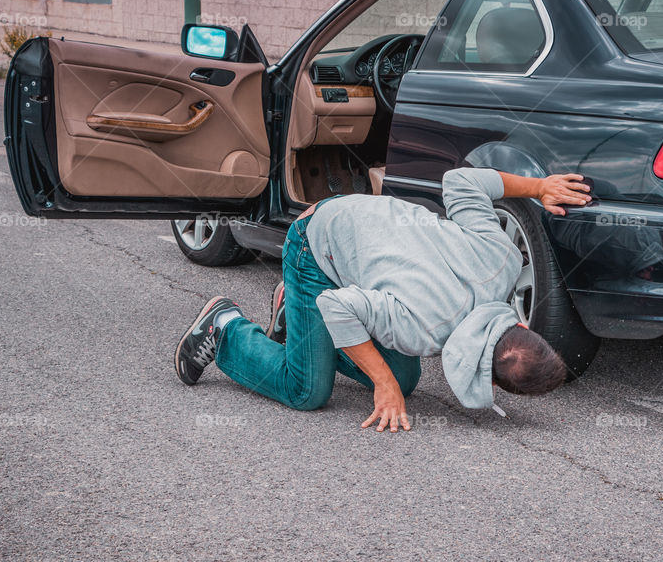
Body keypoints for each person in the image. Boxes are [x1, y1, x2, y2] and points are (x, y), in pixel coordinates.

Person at [174, 168, 592, 432]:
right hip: (313, 245)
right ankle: (225, 326)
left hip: (356, 209)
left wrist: (539, 186)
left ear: (519, 326)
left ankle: (296, 318)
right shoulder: (423, 331)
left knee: (408, 380)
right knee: (306, 390)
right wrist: (383, 383)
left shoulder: (501, 258)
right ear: (488, 378)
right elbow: (338, 307)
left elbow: (461, 181)